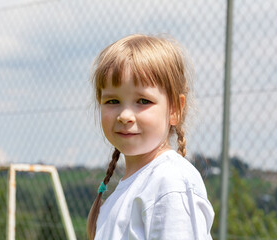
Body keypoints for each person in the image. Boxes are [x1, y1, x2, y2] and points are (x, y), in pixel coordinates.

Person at [87, 34, 214, 240]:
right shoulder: (119, 196)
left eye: (143, 101)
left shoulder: (170, 183)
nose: (125, 115)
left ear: (175, 109)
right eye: (112, 101)